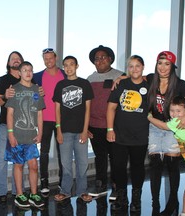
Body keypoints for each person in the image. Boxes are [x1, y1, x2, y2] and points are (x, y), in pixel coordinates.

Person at [147, 51, 185, 215]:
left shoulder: (181, 84)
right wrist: (121, 77)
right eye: (160, 63)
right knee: (155, 166)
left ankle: (173, 200)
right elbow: (132, 76)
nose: (163, 67)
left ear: (172, 66)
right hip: (154, 127)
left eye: (167, 64)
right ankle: (154, 205)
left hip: (172, 128)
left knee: (172, 165)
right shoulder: (150, 80)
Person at [106, 55, 149, 212]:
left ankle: (136, 199)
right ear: (127, 69)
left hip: (141, 136)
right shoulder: (121, 84)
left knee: (138, 168)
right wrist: (110, 129)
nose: (134, 69)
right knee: (118, 167)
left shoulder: (149, 84)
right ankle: (122, 197)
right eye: (131, 66)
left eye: (137, 66)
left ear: (143, 67)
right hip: (119, 135)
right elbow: (111, 108)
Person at [4, 61, 45, 208]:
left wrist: (40, 132)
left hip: (31, 136)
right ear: (19, 73)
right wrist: (10, 134)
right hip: (16, 135)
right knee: (19, 165)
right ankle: (20, 194)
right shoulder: (14, 90)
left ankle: (34, 193)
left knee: (33, 165)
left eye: (30, 70)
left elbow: (40, 114)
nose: (28, 72)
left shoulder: (37, 90)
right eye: (25, 70)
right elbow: (10, 113)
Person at [53, 56, 94, 203]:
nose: (69, 67)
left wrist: (85, 130)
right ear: (63, 67)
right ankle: (65, 191)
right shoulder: (60, 85)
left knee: (82, 163)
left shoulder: (84, 84)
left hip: (80, 131)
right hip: (64, 131)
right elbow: (56, 109)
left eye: (71, 64)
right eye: (66, 65)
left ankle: (82, 191)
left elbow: (88, 109)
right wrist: (58, 130)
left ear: (77, 66)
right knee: (66, 163)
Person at [87, 45, 123, 201]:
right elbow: (85, 105)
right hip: (94, 126)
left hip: (113, 126)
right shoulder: (89, 79)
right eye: (97, 58)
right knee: (99, 157)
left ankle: (117, 187)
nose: (100, 60)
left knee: (116, 158)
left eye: (103, 57)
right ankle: (100, 185)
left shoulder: (120, 76)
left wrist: (125, 77)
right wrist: (86, 126)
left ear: (110, 59)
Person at [33, 48, 66, 194]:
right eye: (45, 59)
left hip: (62, 119)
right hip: (44, 119)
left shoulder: (65, 75)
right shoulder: (37, 76)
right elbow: (32, 98)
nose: (48, 61)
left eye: (50, 58)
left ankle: (62, 180)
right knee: (44, 152)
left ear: (56, 58)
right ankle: (44, 181)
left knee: (62, 152)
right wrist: (36, 94)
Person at [0, 51, 24, 204]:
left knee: (20, 160)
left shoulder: (28, 79)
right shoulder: (2, 80)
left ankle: (19, 191)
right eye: (13, 59)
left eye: (19, 59)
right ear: (8, 63)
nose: (16, 61)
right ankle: (1, 192)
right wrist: (5, 96)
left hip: (24, 127)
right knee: (1, 159)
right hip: (6, 125)